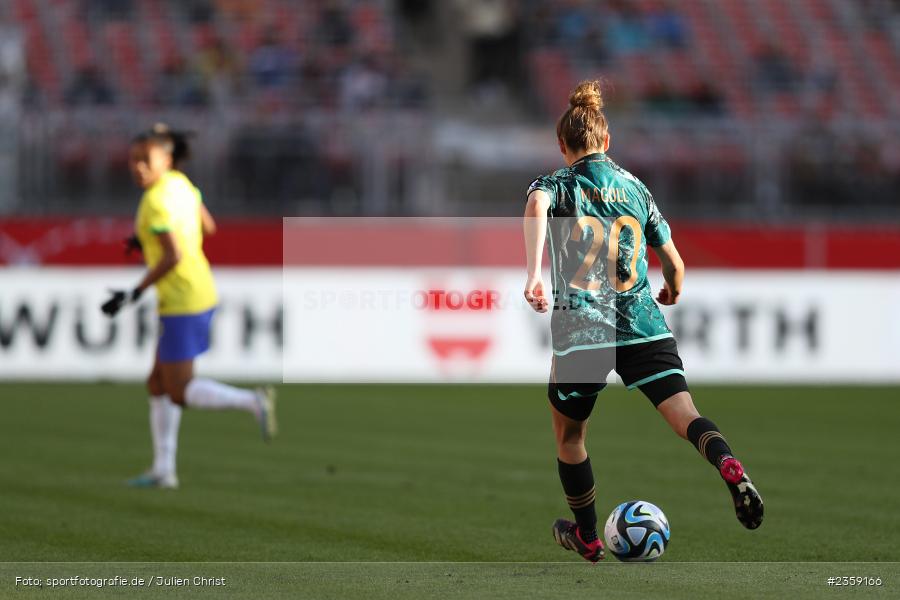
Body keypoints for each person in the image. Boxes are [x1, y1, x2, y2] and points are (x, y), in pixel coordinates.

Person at [523, 81, 763, 562]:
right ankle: (728, 463)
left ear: (562, 145)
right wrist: (673, 289)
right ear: (607, 142)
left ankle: (588, 536)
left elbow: (536, 206)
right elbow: (673, 261)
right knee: (686, 416)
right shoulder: (636, 188)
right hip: (641, 321)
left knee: (570, 436)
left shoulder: (556, 183)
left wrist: (533, 273)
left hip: (583, 328)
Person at [101, 123, 277, 489]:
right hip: (196, 290)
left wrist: (134, 292)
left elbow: (173, 256)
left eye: (144, 159)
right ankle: (163, 470)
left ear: (165, 159)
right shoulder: (180, 185)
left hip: (181, 298)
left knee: (179, 389)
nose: (137, 167)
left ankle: (253, 402)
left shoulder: (154, 200)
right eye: (132, 160)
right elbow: (207, 227)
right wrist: (144, 239)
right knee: (157, 382)